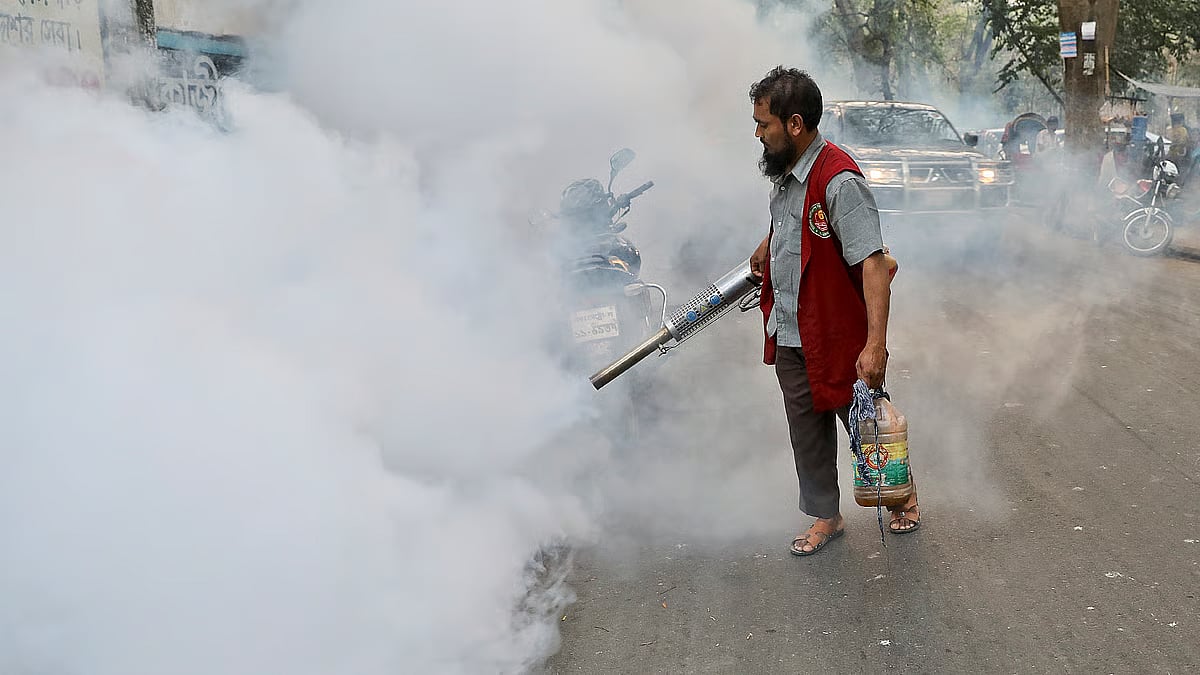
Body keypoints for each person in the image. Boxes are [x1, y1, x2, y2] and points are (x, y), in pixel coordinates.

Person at [747, 66, 919, 557]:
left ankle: (902, 498)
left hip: (837, 335)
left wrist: (875, 344)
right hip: (790, 330)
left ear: (794, 124)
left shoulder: (840, 180)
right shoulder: (785, 176)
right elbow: (792, 223)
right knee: (806, 430)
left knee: (866, 425)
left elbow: (872, 263)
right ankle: (827, 516)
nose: (759, 135)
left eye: (765, 125)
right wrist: (768, 243)